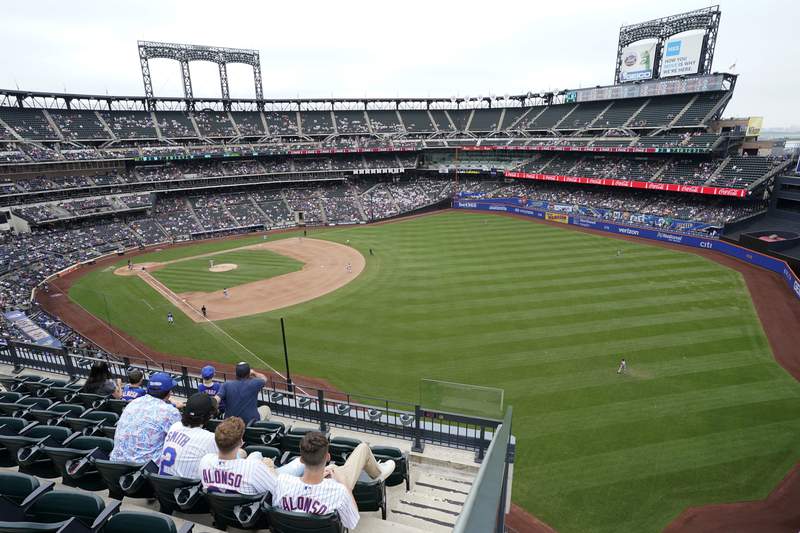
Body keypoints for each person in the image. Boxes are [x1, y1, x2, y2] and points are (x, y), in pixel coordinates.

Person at [272, 431, 394, 529]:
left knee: (333, 469)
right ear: (328, 457)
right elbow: (353, 522)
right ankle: (379, 472)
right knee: (362, 449)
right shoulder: (339, 491)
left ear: (301, 460)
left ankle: (334, 469)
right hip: (334, 486)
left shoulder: (282, 482)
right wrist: (345, 486)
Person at [198, 417, 305, 494]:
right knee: (302, 462)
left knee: (256, 454)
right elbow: (278, 488)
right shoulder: (253, 468)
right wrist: (270, 468)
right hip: (255, 513)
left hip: (222, 509)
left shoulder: (205, 461)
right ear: (241, 442)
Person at [110, 372, 181, 464]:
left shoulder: (133, 403)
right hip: (144, 470)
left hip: (115, 465)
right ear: (168, 393)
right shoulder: (170, 411)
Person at [159, 393, 219, 477]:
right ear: (209, 415)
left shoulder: (175, 426)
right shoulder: (209, 438)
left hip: (161, 483)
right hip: (187, 487)